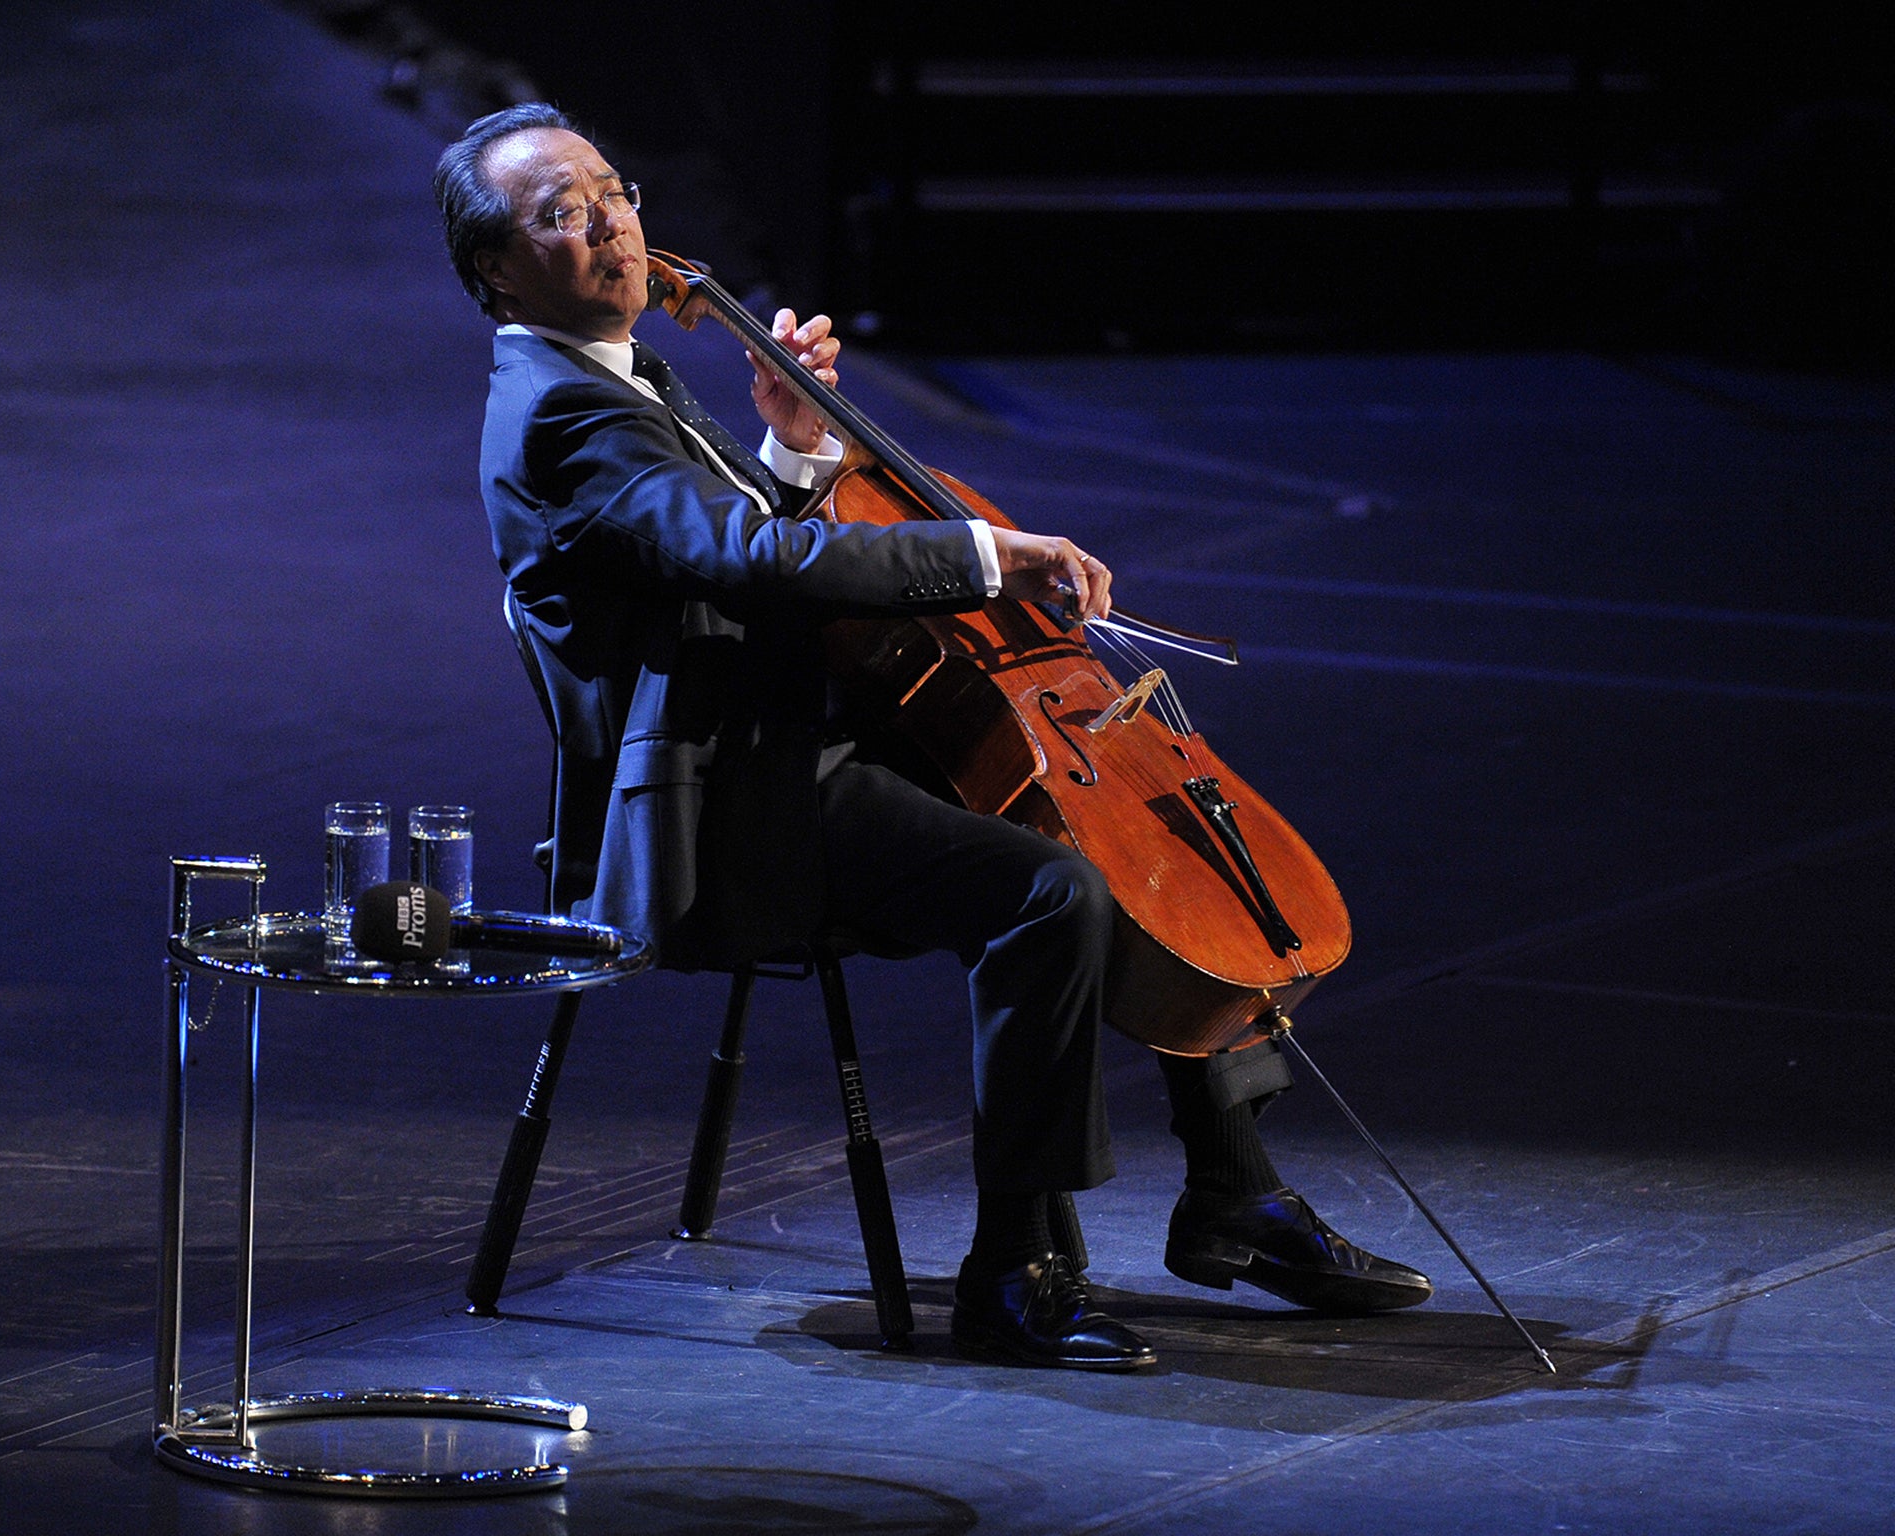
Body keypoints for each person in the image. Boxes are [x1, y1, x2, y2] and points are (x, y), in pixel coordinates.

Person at [433, 103, 1430, 1371]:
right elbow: (742, 561)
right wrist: (978, 552)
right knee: (1047, 891)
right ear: (493, 271)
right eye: (561, 215)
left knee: (1131, 845)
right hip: (724, 803)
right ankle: (1017, 1268)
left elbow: (723, 558)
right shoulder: (559, 411)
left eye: (613, 193)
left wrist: (794, 456)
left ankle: (1231, 1187)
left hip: (785, 737)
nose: (613, 227)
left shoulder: (611, 373)